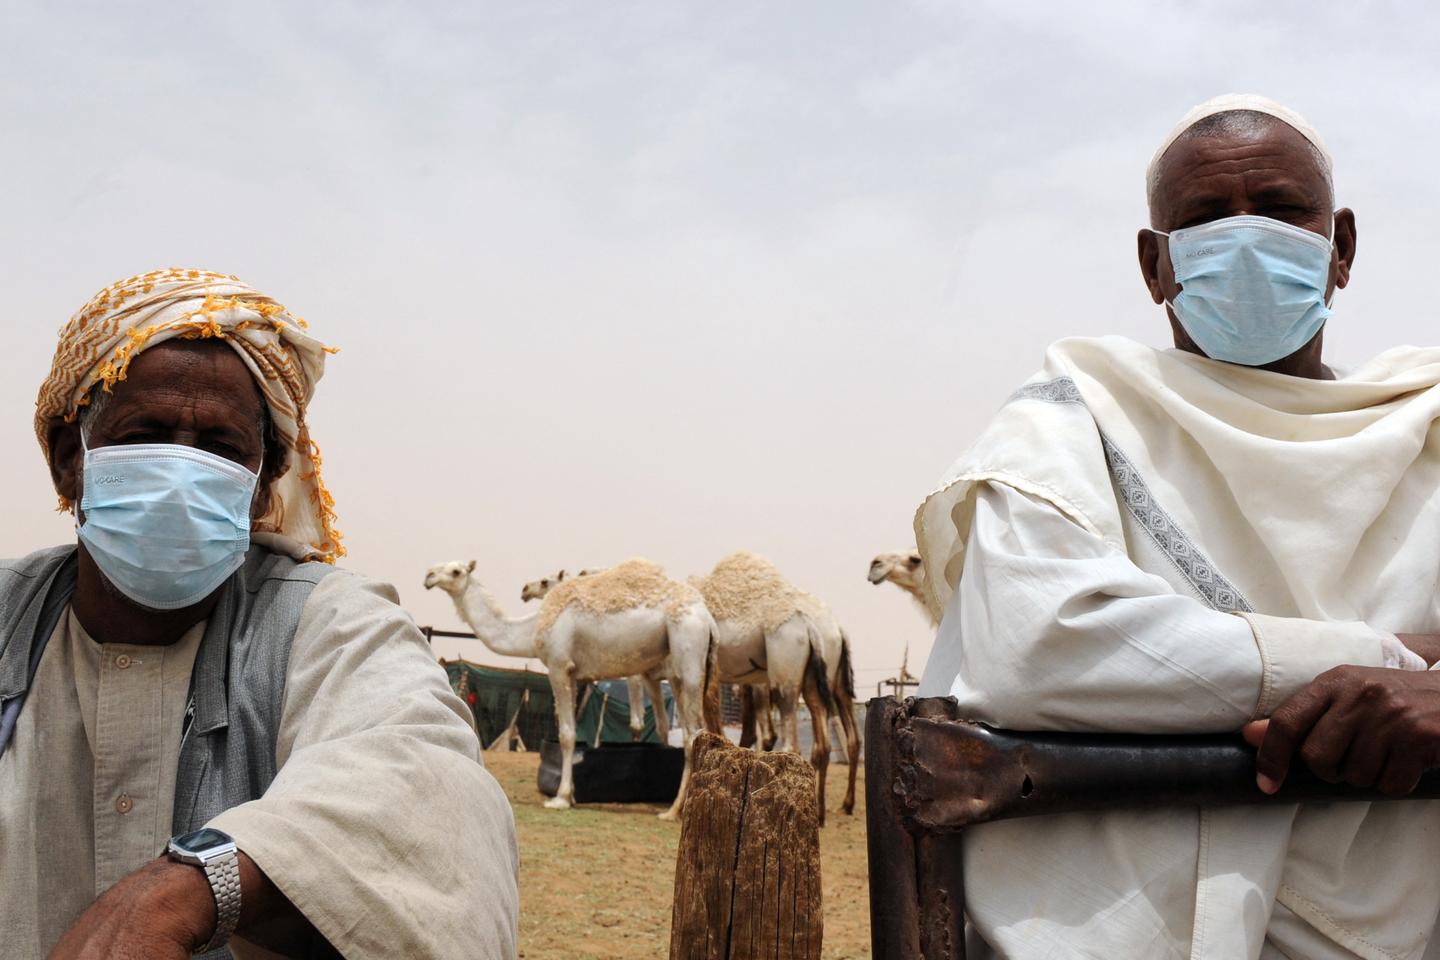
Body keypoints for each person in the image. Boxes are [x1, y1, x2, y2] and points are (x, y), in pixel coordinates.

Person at [915, 95, 1440, 958]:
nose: (1246, 238)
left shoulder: (1421, 429)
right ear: (1155, 266)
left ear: (1340, 248)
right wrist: (1383, 663)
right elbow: (1048, 643)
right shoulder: (1071, 417)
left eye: (1280, 209)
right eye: (1205, 219)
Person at [1, 268, 519, 958]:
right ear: (72, 460)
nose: (182, 474)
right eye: (146, 434)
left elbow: (424, 780)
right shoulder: (10, 612)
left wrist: (197, 884)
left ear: (259, 486)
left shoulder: (328, 620)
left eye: (219, 449)